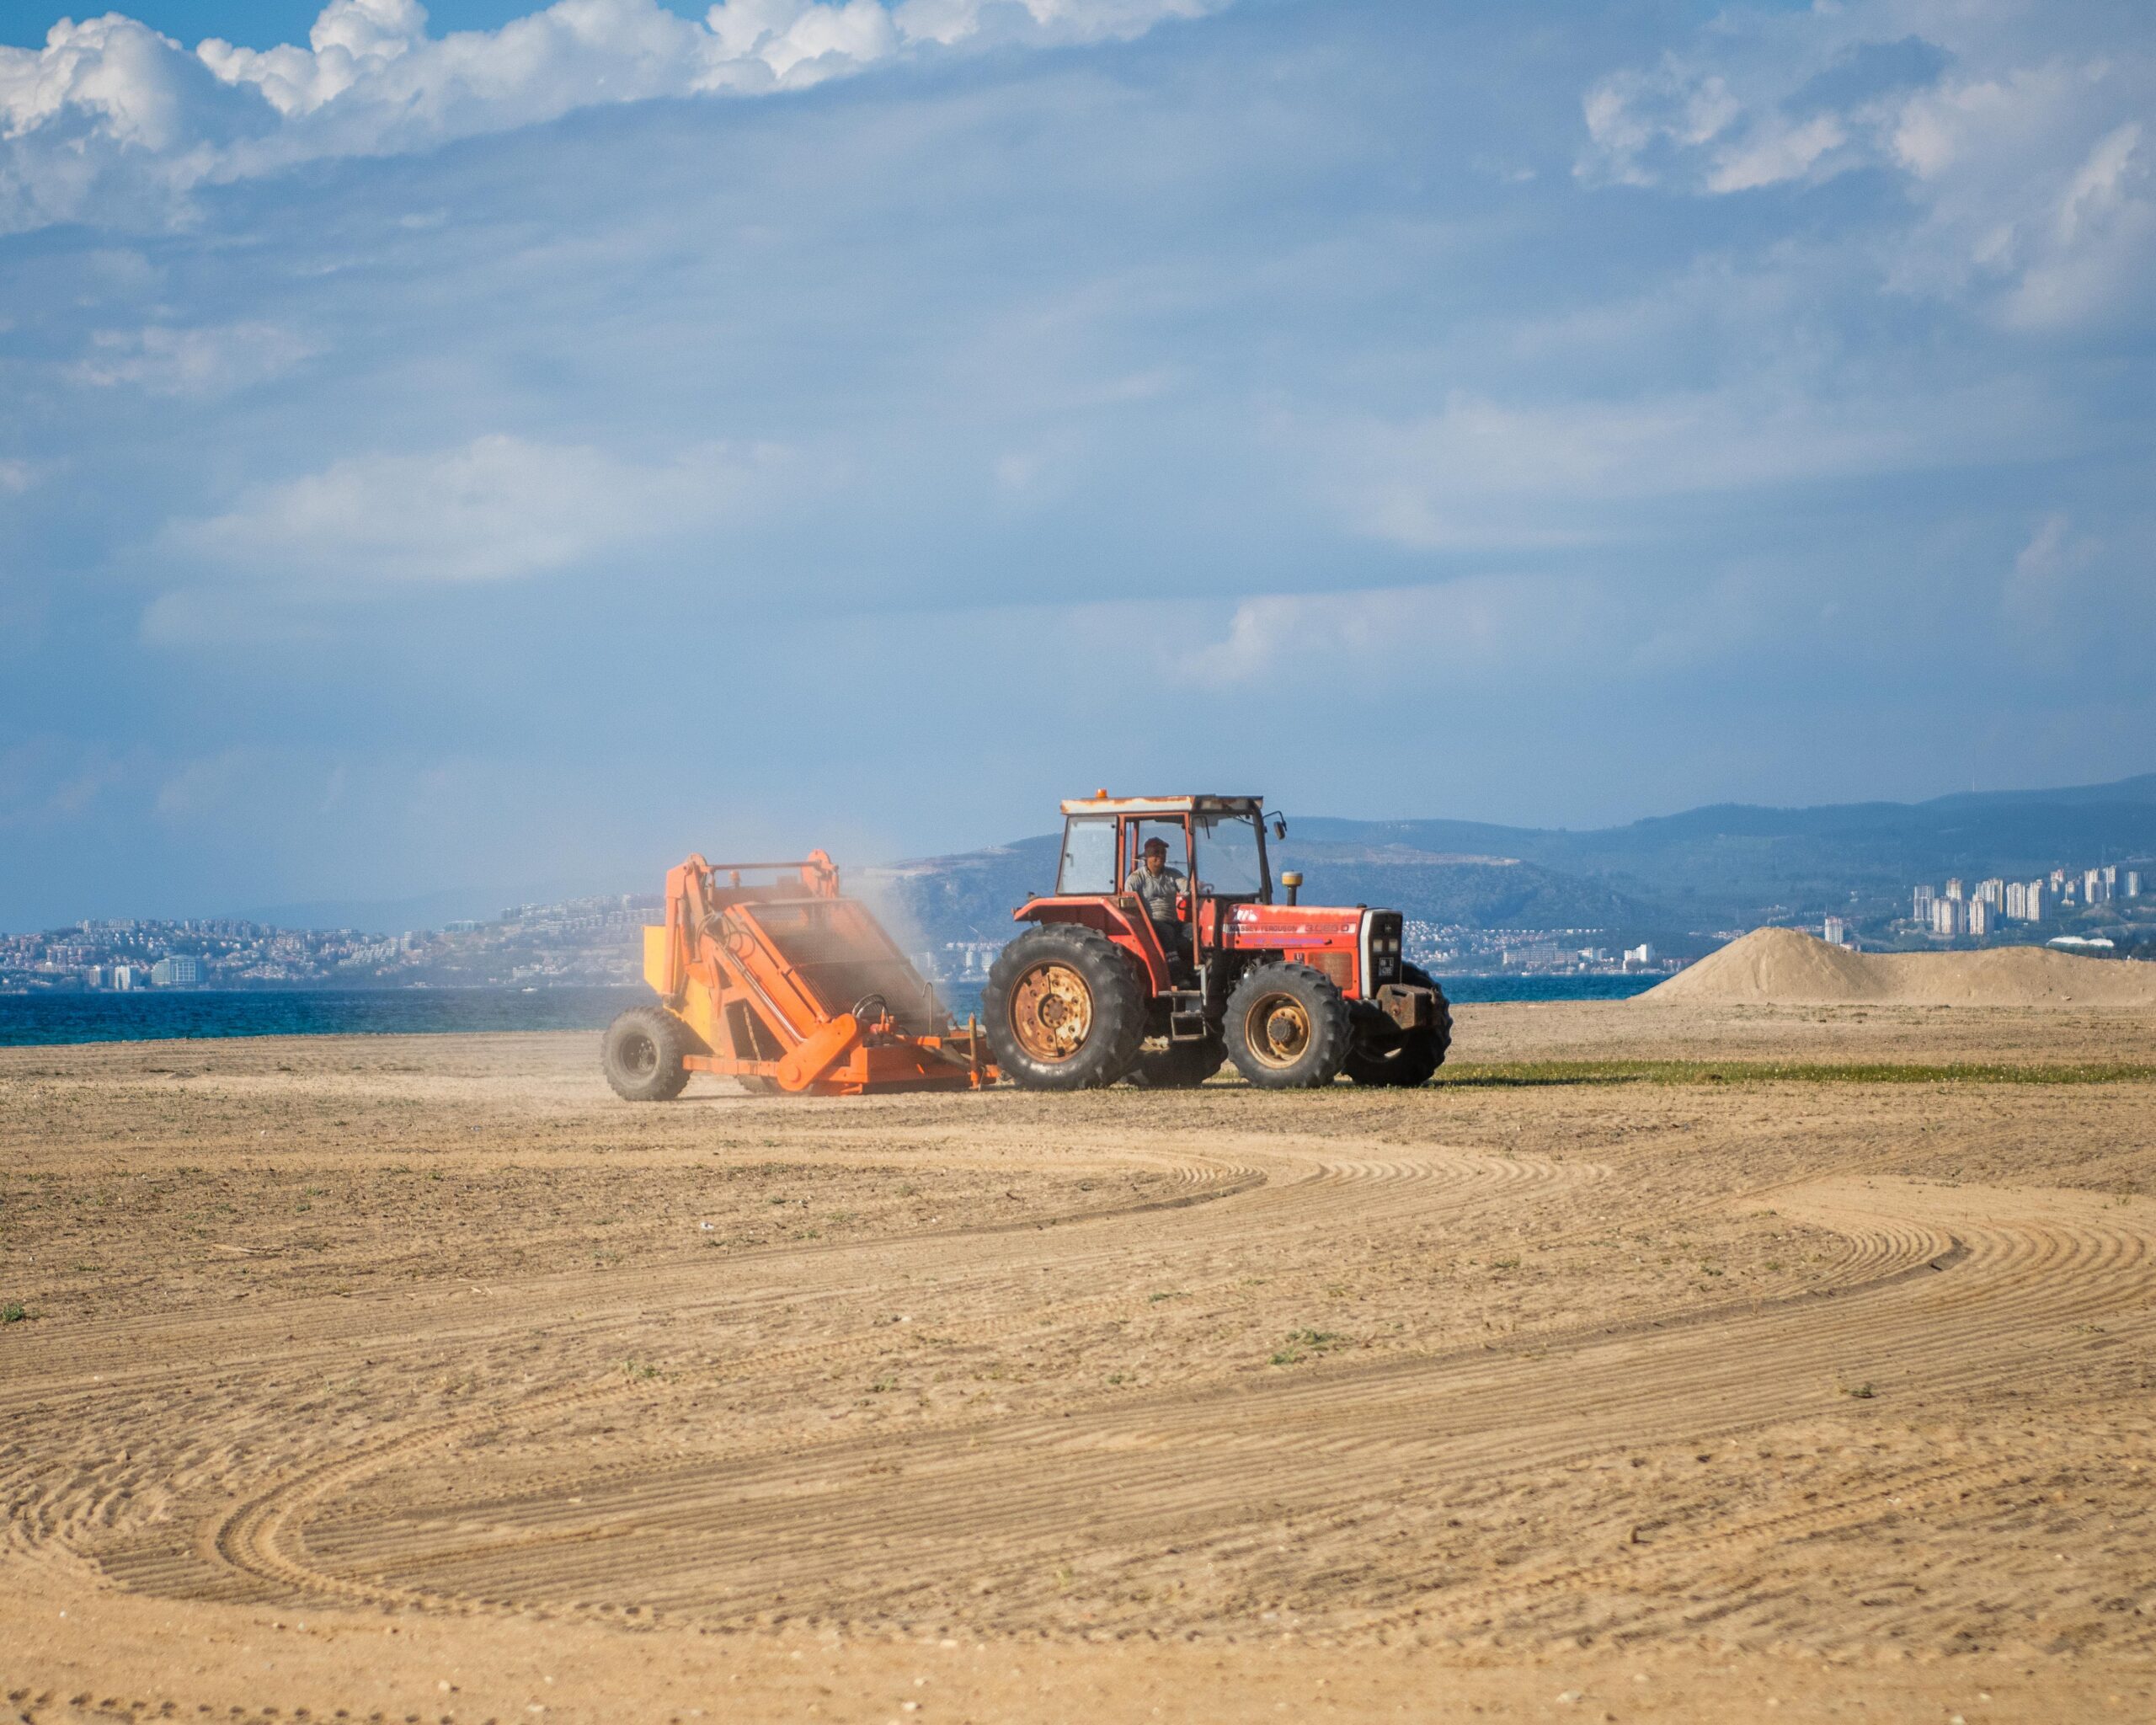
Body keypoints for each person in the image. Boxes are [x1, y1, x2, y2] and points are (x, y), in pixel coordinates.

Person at [1125, 836, 1188, 961]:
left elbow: (1187, 887)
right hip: (1150, 923)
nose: (1161, 856)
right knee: (1167, 932)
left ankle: (1197, 971)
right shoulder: (1136, 878)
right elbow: (1128, 902)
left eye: (1163, 852)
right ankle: (1176, 974)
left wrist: (1196, 886)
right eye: (1156, 852)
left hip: (1173, 921)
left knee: (1193, 933)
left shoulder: (1173, 874)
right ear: (1146, 856)